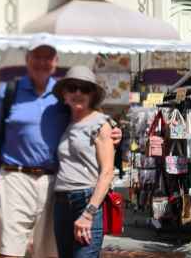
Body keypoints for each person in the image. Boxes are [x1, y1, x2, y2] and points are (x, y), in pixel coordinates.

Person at [0, 37, 121, 258]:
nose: (42, 62)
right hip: (15, 177)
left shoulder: (61, 97)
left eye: (48, 57)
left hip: (54, 183)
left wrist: (112, 129)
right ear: (27, 59)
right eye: (37, 56)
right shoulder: (9, 91)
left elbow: (88, 118)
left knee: (47, 251)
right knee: (10, 249)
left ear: (55, 61)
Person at [51, 66, 114, 258]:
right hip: (60, 203)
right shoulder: (63, 122)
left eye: (84, 88)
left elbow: (107, 172)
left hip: (86, 201)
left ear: (92, 94)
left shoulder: (101, 123)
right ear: (64, 93)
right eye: (72, 87)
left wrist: (88, 213)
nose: (78, 93)